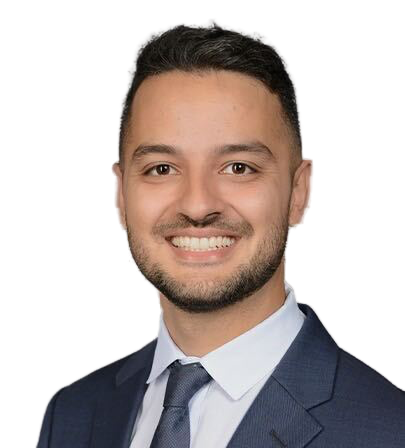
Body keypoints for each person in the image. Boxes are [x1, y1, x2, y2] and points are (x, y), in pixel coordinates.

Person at [36, 20, 405, 448]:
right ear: (119, 196)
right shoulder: (71, 413)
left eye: (238, 168)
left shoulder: (391, 430)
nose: (197, 205)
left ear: (300, 193)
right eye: (161, 168)